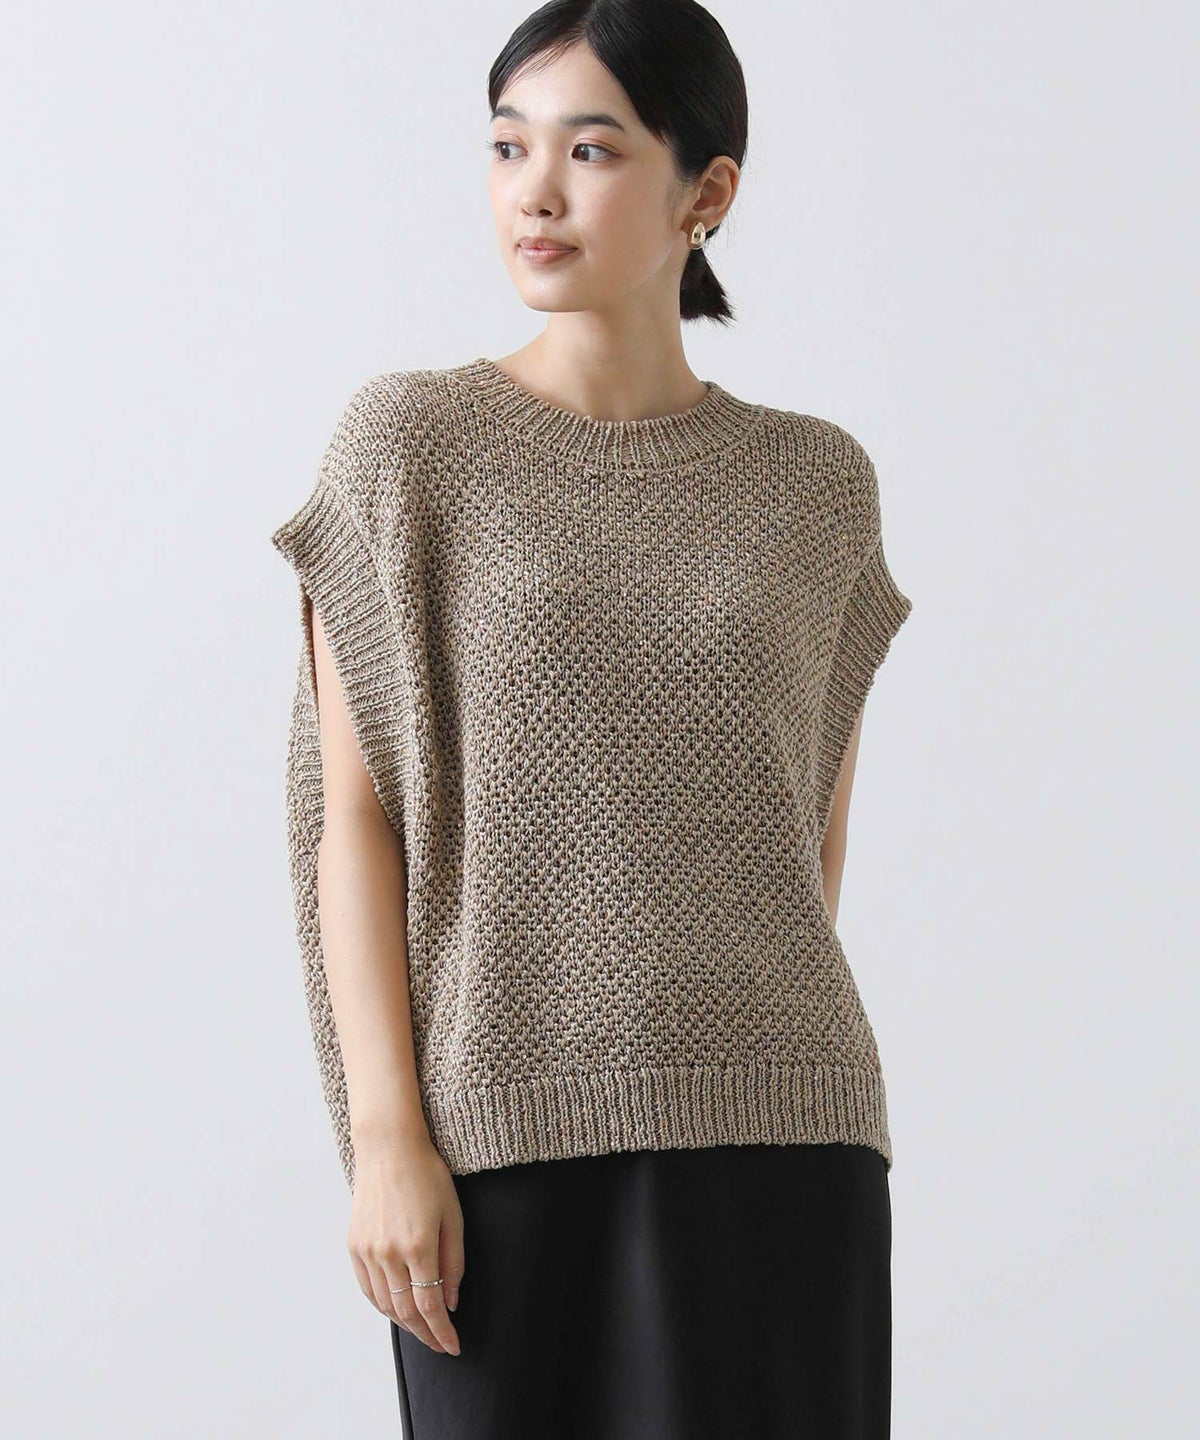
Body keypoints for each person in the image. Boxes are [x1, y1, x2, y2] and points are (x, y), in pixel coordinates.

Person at [268, 1, 915, 1435]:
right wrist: (385, 1138)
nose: (536, 192)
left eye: (593, 149)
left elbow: (804, 833)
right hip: (500, 1143)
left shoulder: (816, 485)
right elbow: (350, 824)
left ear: (707, 191)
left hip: (783, 1133)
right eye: (509, 147)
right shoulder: (408, 447)